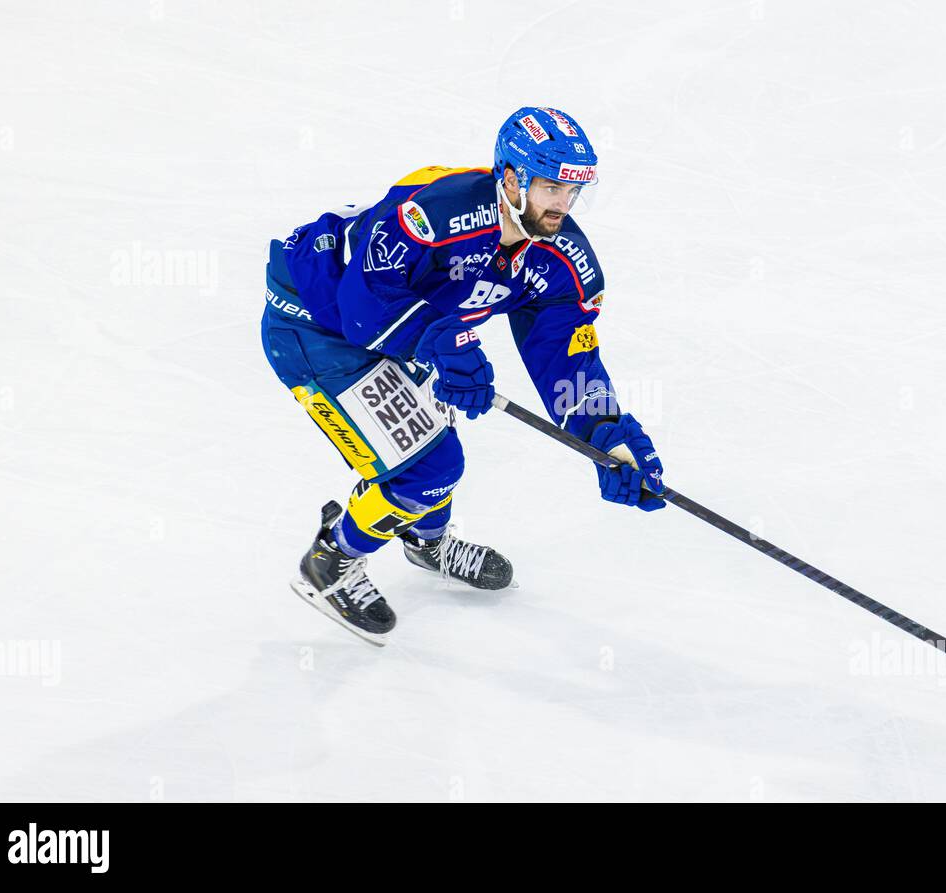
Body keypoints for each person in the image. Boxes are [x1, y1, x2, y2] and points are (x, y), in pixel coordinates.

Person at [260, 106, 666, 646]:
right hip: (315, 325)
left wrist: (607, 433)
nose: (563, 206)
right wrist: (439, 341)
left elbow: (566, 357)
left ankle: (425, 542)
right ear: (512, 177)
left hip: (400, 330)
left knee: (433, 446)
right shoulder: (436, 214)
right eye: (551, 188)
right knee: (431, 467)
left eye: (573, 191)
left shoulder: (560, 258)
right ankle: (330, 560)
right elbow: (361, 304)